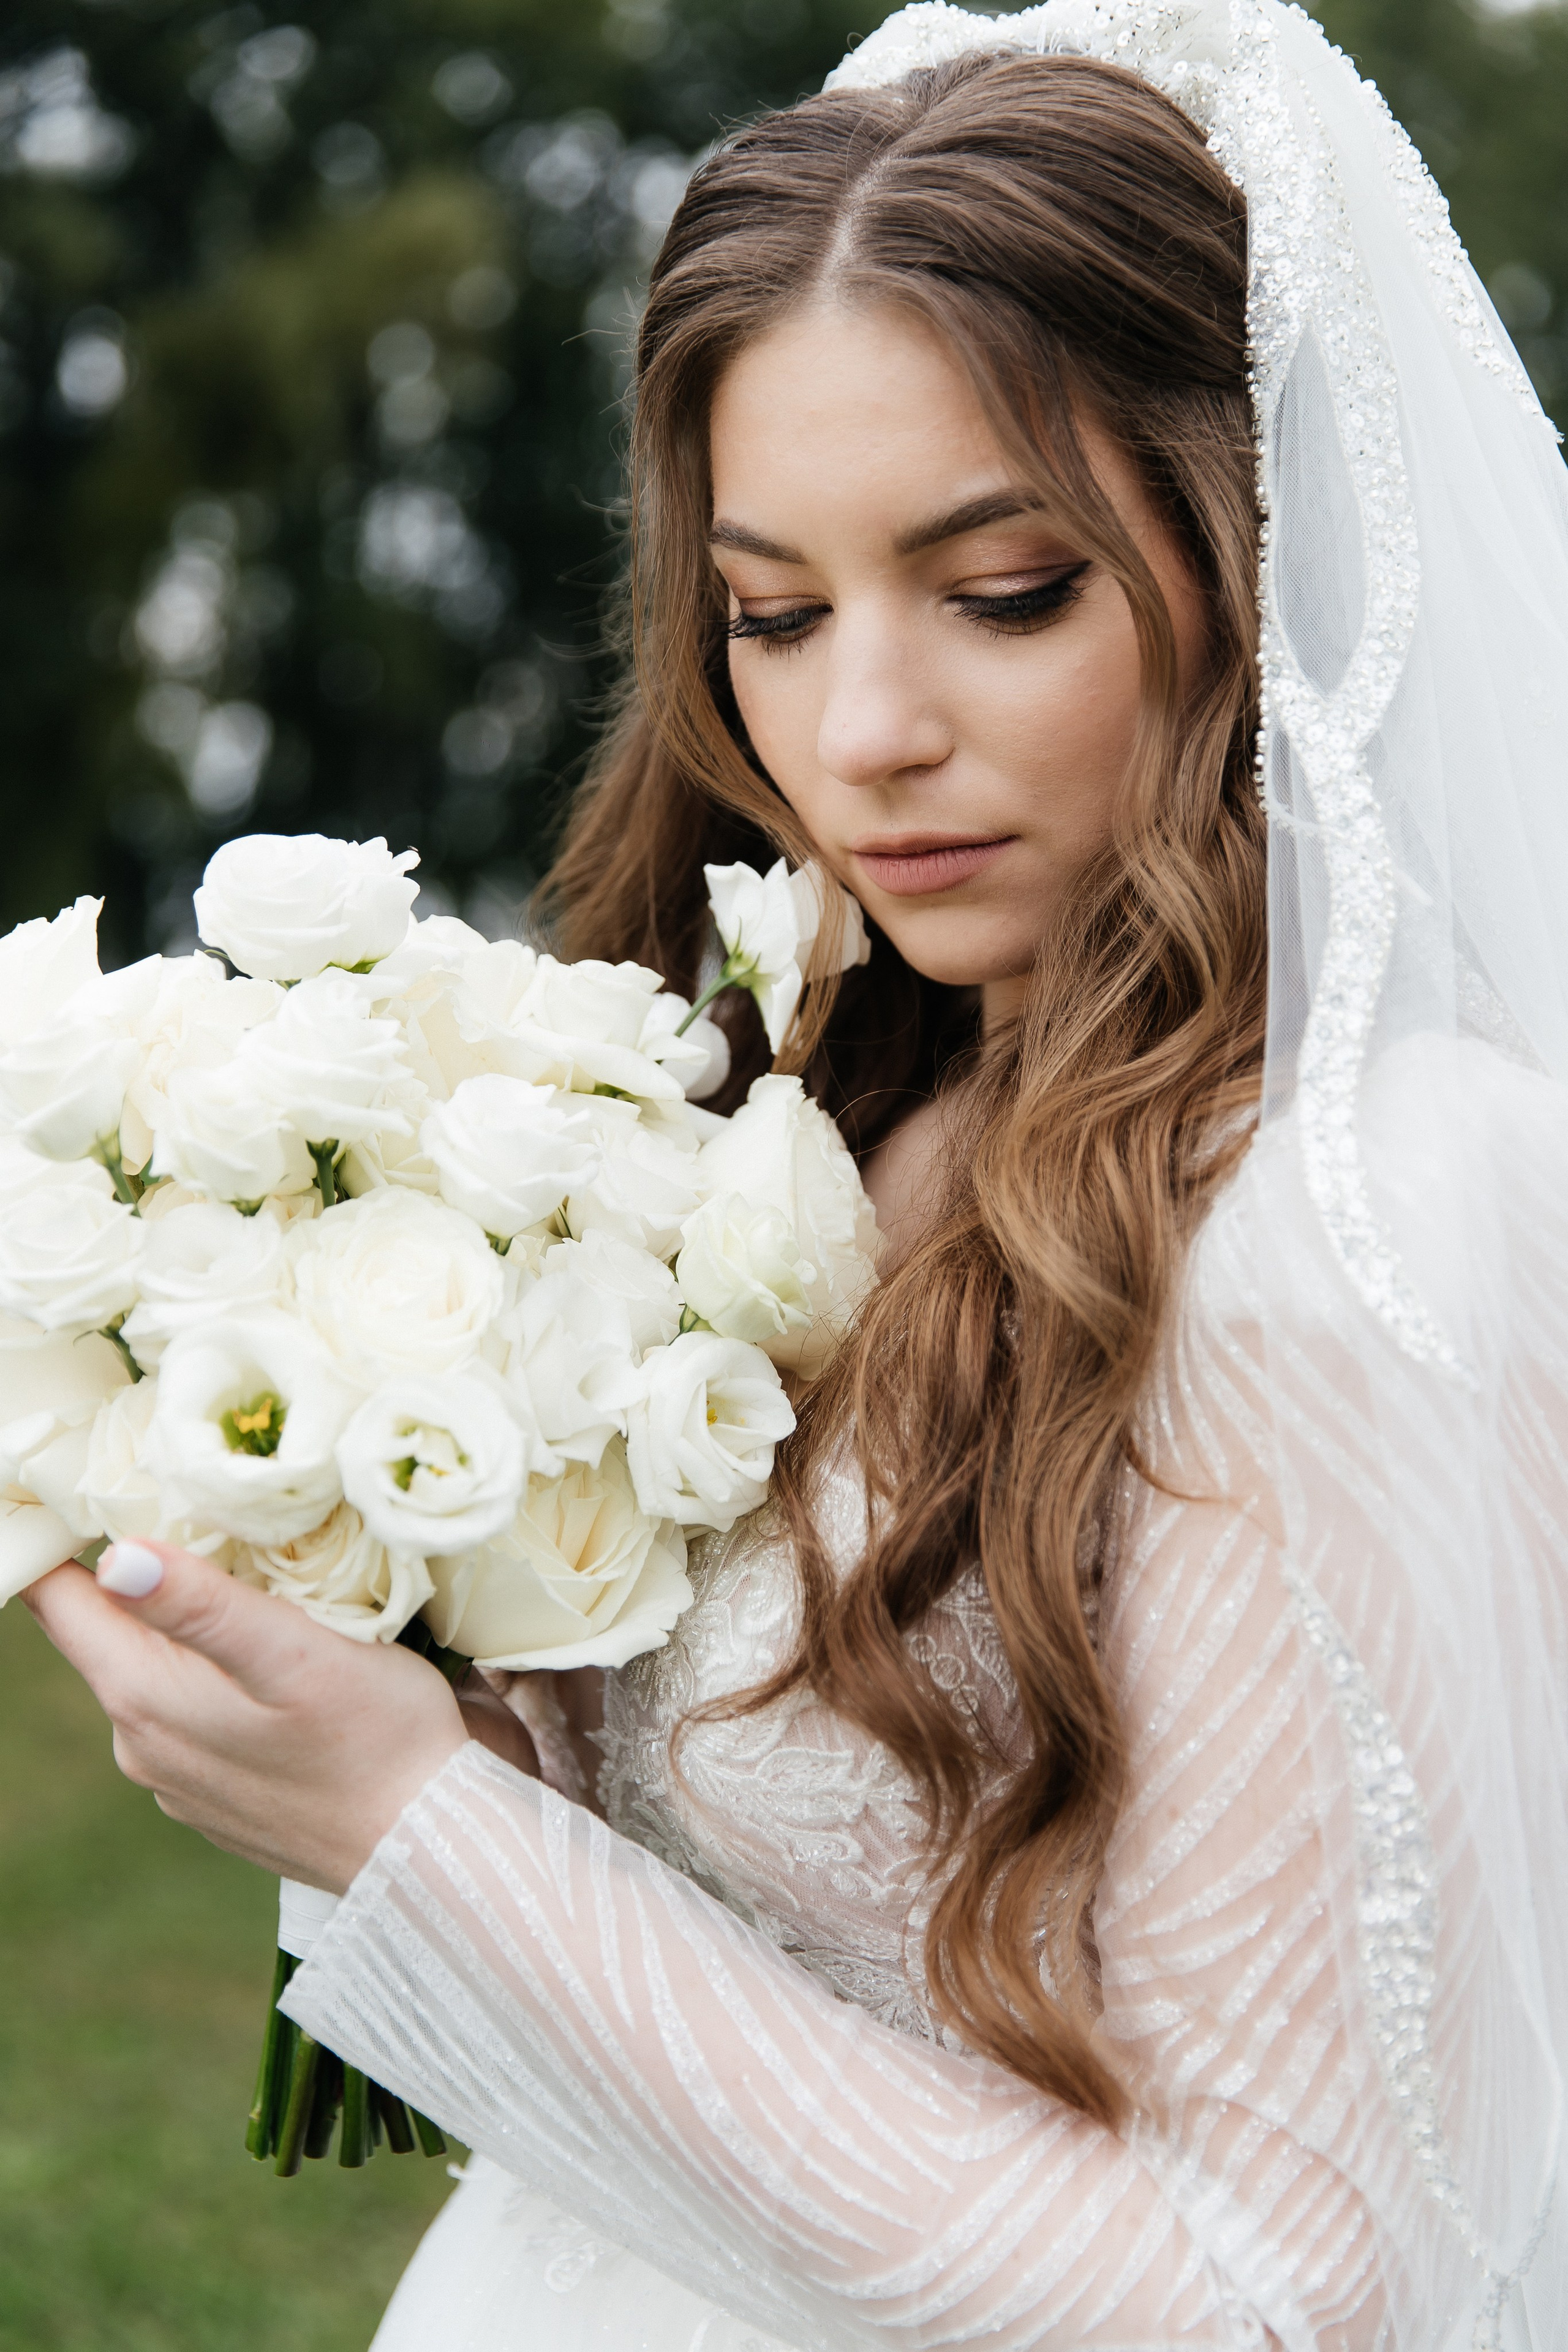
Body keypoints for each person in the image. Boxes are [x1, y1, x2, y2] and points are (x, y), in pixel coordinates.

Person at [24, 4, 1568, 2346]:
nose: (858, 736)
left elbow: (1280, 2302)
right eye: (774, 611)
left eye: (1006, 588)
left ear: (1265, 553)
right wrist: (435, 1710)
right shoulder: (828, 1097)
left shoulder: (1345, 1224)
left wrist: (417, 1843)